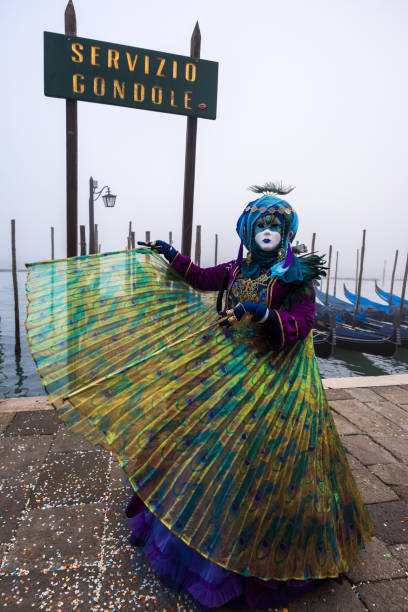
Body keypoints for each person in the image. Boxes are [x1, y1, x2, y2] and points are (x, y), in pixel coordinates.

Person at [123, 182, 374, 609]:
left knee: (261, 457)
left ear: (286, 232)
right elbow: (201, 278)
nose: (268, 231)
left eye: (276, 225)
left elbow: (302, 322)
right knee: (206, 450)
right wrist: (172, 254)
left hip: (274, 377)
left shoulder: (296, 275)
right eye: (261, 223)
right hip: (226, 370)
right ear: (248, 229)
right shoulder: (237, 270)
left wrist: (260, 313)